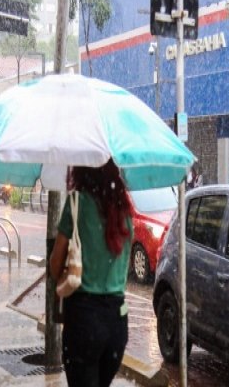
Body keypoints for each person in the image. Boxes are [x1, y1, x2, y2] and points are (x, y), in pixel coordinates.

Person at [49, 158, 134, 387]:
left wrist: (70, 269)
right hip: (117, 323)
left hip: (84, 320)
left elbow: (55, 264)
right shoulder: (124, 209)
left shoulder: (77, 203)